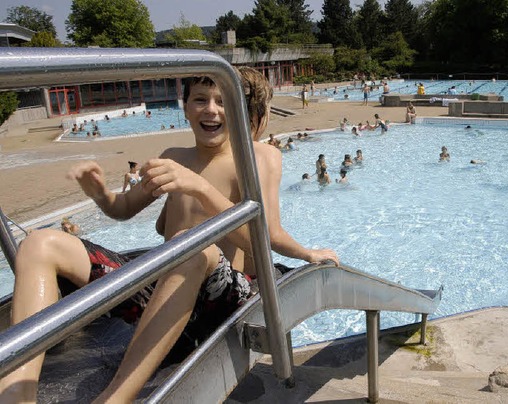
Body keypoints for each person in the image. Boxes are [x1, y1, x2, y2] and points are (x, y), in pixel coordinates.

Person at [0, 68, 339, 402]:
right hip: (161, 295)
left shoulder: (258, 157)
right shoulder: (173, 157)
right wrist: (101, 195)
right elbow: (123, 209)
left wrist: (201, 188)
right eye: (200, 99)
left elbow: (262, 239)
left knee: (190, 245)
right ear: (185, 106)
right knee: (39, 244)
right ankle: (18, 394)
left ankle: (113, 399)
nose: (211, 109)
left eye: (223, 101)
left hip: (217, 303)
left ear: (238, 109)